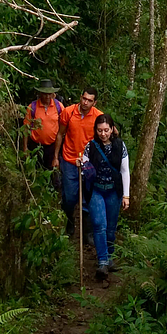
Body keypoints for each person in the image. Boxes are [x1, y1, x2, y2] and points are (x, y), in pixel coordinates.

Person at [81, 114, 129, 281]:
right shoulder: (91, 146)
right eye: (100, 130)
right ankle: (102, 261)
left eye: (106, 130)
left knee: (110, 227)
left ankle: (110, 257)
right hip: (97, 190)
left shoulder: (120, 146)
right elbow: (85, 166)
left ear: (112, 129)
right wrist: (82, 166)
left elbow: (125, 171)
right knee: (99, 224)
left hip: (113, 191)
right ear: (96, 130)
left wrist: (126, 195)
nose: (103, 134)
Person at [53, 87, 100, 236]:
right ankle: (69, 221)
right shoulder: (68, 112)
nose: (85, 102)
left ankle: (86, 232)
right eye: (84, 98)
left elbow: (106, 134)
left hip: (88, 163)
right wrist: (55, 156)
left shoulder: (98, 117)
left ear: (94, 102)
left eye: (89, 100)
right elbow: (60, 134)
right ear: (80, 97)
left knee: (88, 197)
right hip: (69, 159)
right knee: (70, 196)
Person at [24, 80, 63, 170]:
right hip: (35, 145)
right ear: (40, 93)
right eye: (45, 94)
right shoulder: (33, 107)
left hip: (52, 146)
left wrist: (56, 156)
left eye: (49, 94)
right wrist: (25, 148)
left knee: (52, 172)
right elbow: (26, 127)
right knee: (35, 171)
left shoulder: (59, 106)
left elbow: (63, 126)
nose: (47, 96)